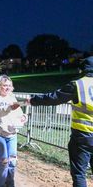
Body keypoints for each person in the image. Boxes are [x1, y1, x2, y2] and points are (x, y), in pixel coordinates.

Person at [27, 56, 93, 187]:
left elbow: (54, 98)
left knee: (79, 174)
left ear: (83, 70)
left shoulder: (78, 84)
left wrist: (33, 100)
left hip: (83, 136)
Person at [0, 75, 27, 187]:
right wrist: (9, 107)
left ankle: (10, 185)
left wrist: (24, 117)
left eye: (9, 86)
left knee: (12, 163)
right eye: (5, 85)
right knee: (4, 163)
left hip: (12, 135)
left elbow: (20, 113)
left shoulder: (12, 97)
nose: (7, 88)